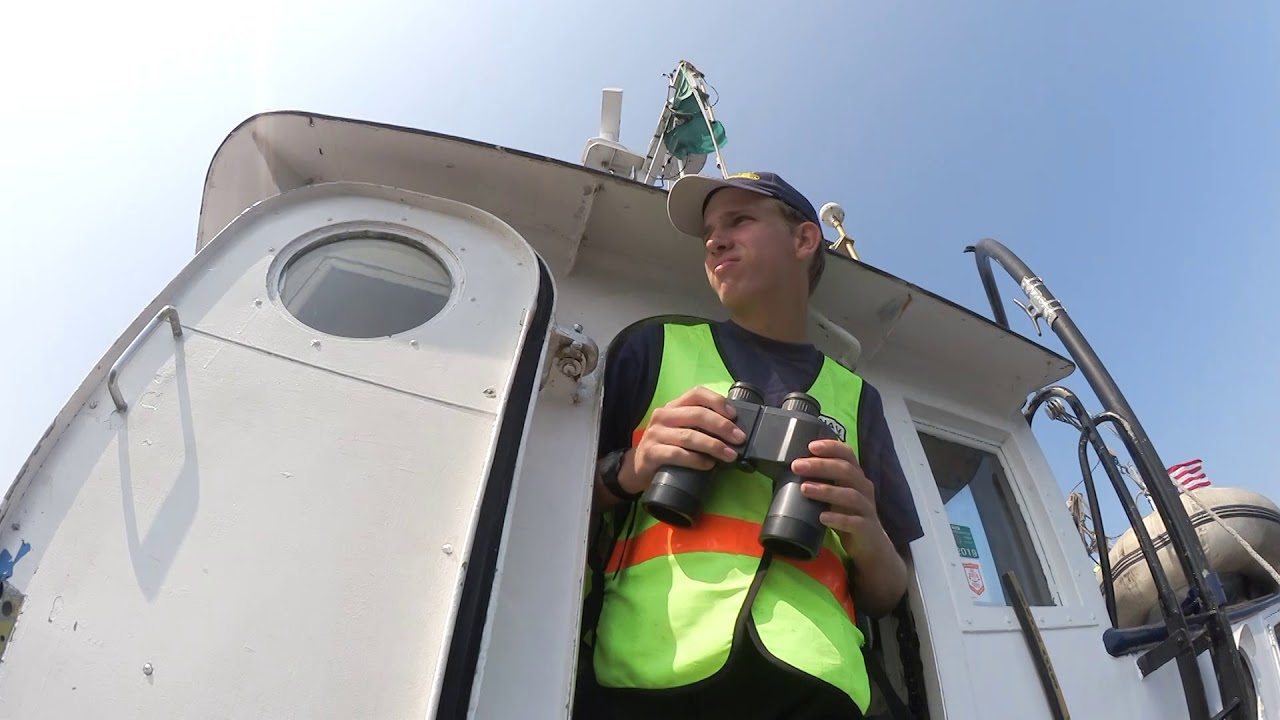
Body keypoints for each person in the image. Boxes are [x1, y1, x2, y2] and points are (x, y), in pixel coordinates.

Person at [578, 171, 925, 719]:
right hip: (651, 674)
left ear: (805, 240)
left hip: (817, 682)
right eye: (709, 231)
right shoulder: (651, 347)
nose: (714, 240)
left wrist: (862, 527)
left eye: (738, 220)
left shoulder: (857, 399)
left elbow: (888, 592)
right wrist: (633, 468)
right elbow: (556, 499)